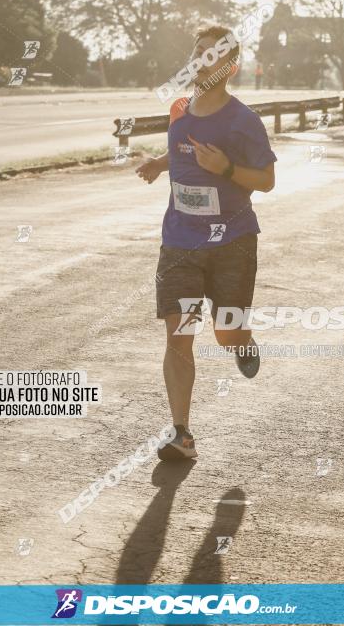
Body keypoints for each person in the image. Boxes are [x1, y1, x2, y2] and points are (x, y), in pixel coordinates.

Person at [135, 25, 276, 460]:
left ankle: (243, 341)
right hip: (180, 240)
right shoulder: (180, 108)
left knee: (227, 333)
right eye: (196, 53)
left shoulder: (243, 121)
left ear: (230, 67)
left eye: (210, 55)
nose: (199, 61)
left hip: (232, 240)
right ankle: (182, 434)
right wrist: (160, 164)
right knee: (179, 335)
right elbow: (181, 148)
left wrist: (227, 169)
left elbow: (267, 181)